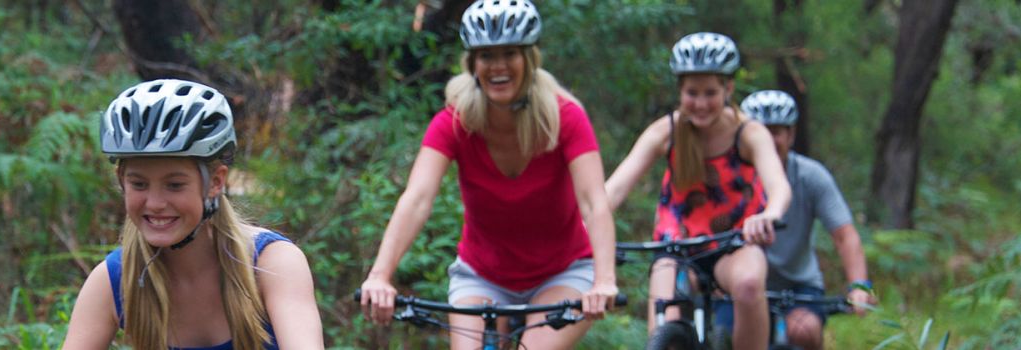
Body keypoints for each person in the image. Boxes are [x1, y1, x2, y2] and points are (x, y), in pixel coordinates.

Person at [358, 1, 620, 348]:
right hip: (481, 276)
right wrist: (380, 275)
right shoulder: (454, 122)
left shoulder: (565, 117)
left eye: (509, 53)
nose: (498, 66)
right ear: (472, 64)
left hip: (562, 271)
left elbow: (593, 201)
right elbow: (418, 199)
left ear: (529, 59)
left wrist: (604, 279)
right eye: (486, 55)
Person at [62, 79, 324, 349]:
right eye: (139, 184)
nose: (154, 203)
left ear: (215, 182)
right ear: (121, 180)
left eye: (174, 185)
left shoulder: (272, 263)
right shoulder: (115, 279)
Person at [603, 32, 792, 350]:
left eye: (710, 93)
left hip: (734, 242)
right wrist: (583, 227)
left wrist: (770, 215)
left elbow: (779, 186)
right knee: (666, 308)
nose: (701, 103)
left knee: (748, 285)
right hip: (677, 243)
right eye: (692, 93)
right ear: (680, 91)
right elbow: (614, 189)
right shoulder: (666, 131)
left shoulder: (749, 132)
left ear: (728, 89)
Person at [740, 90, 875, 349]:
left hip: (798, 286)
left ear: (790, 135)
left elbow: (844, 235)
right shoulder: (730, 178)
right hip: (741, 285)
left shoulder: (811, 176)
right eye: (760, 132)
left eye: (776, 131)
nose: (767, 140)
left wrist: (859, 285)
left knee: (804, 331)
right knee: (724, 334)